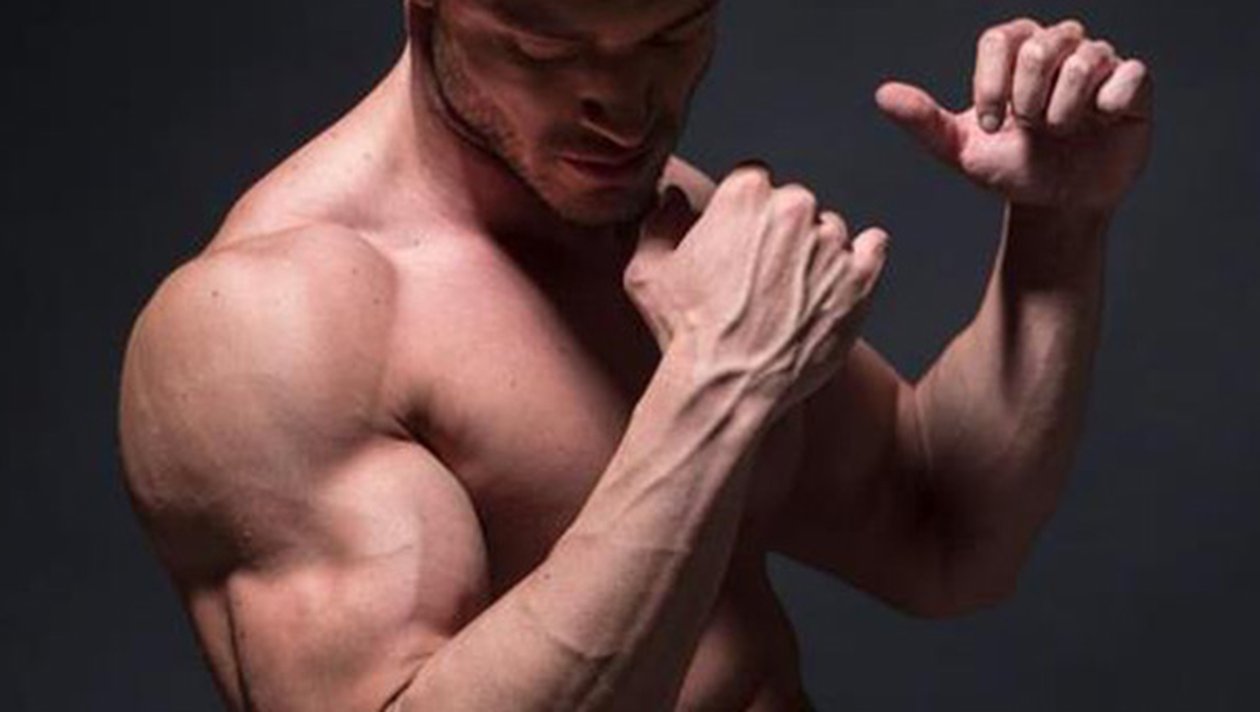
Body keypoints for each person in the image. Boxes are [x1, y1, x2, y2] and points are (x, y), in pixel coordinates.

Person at [116, 1, 1153, 710]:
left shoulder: (652, 213)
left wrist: (1059, 230)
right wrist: (715, 388)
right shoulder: (273, 317)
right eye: (545, 47)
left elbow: (943, 535)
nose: (621, 101)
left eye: (670, 33)